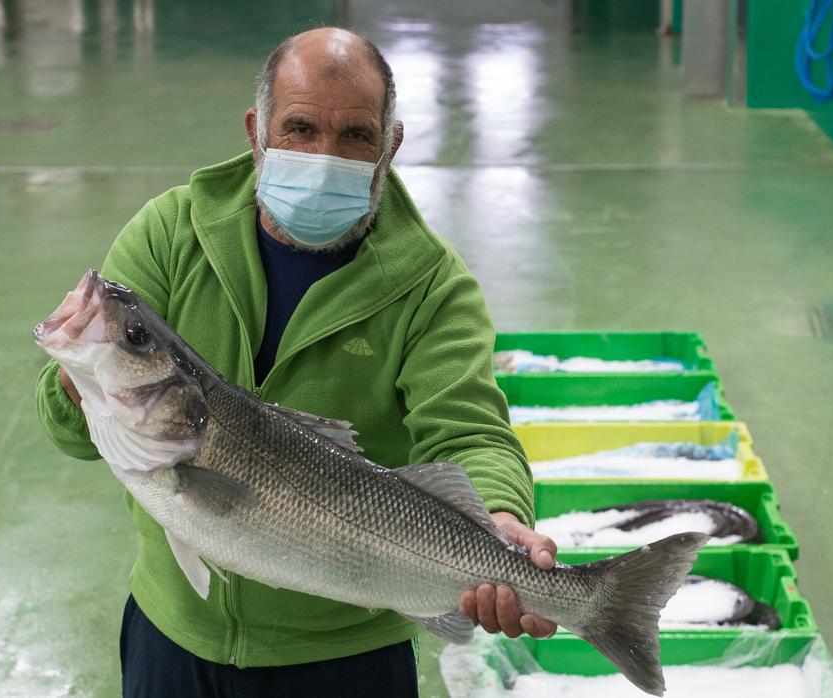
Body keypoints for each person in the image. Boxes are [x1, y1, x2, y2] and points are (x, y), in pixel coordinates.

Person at [35, 27, 558, 697]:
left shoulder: (432, 285)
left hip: (347, 661)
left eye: (356, 137)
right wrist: (80, 382)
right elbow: (70, 434)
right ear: (258, 130)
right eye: (301, 128)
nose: (323, 155)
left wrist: (500, 520)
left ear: (390, 146)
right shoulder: (170, 233)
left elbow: (470, 432)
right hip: (173, 639)